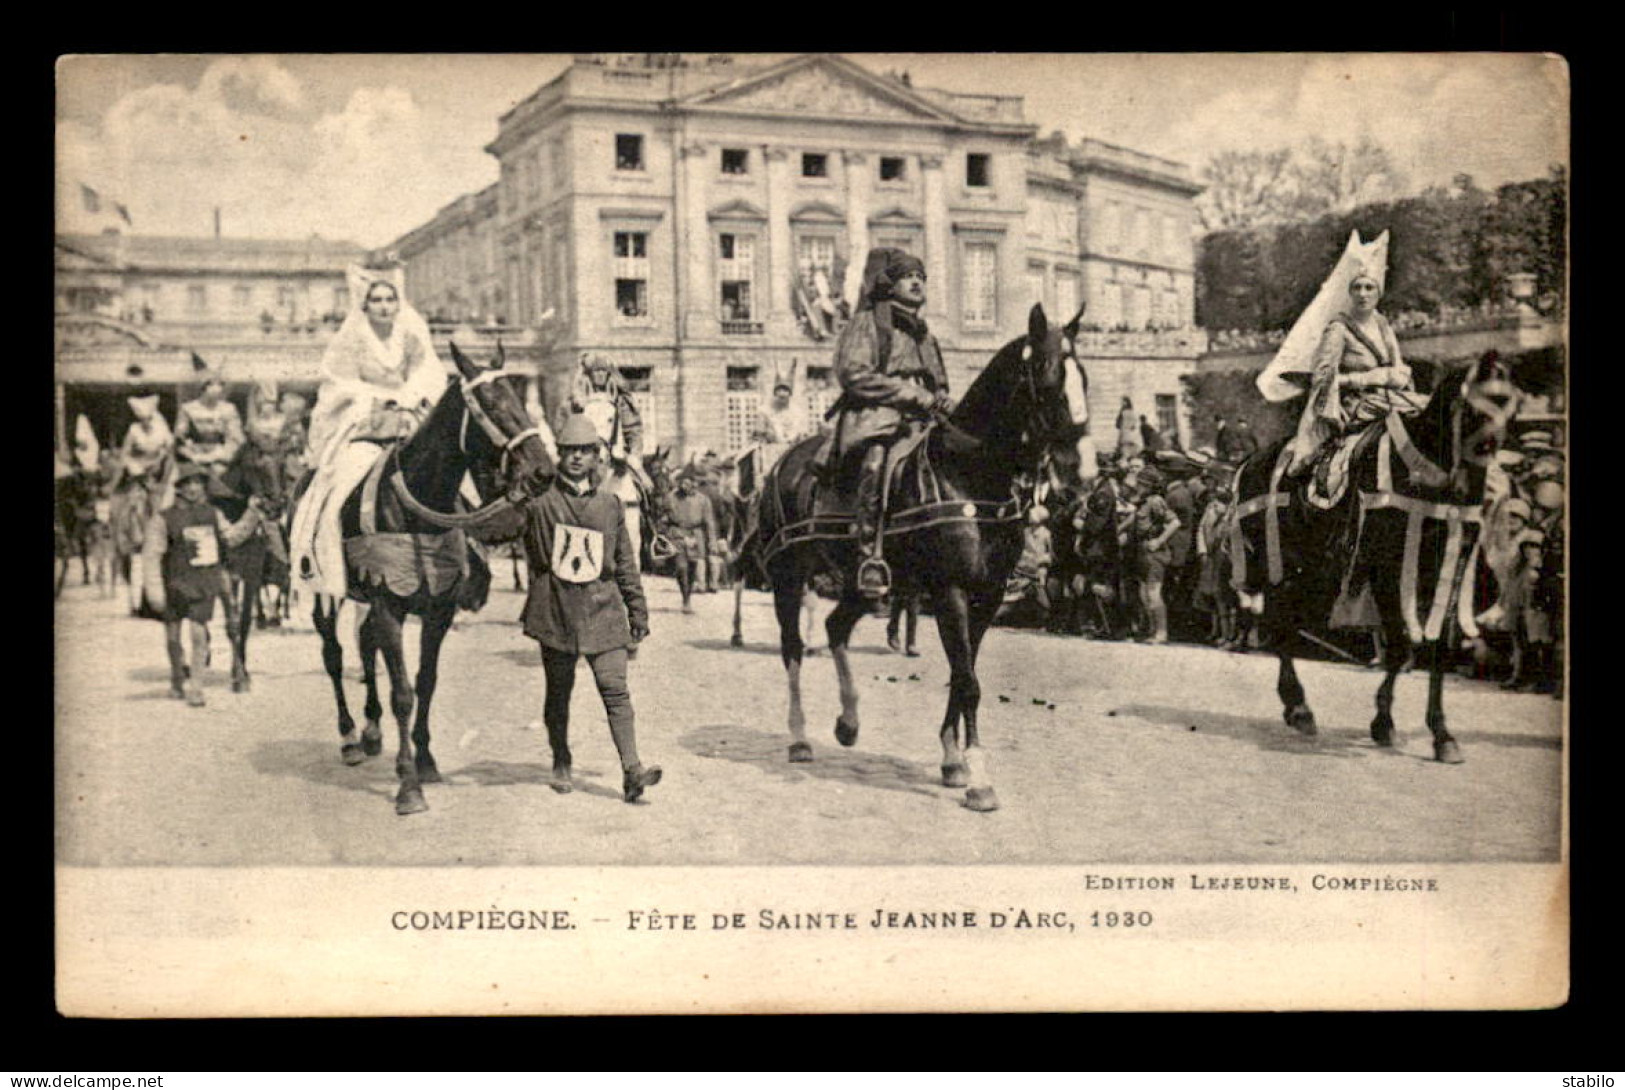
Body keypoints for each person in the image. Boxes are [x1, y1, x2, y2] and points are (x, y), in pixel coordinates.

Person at [518, 413, 661, 803]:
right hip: (558, 611)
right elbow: (531, 555)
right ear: (559, 456)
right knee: (559, 693)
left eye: (585, 451)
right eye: (569, 451)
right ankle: (561, 759)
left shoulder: (611, 505)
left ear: (597, 456)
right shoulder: (540, 504)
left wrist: (638, 610)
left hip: (604, 607)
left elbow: (626, 562)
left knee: (615, 690)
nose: (577, 458)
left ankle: (633, 769)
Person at [290, 269, 447, 599]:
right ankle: (321, 554)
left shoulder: (410, 337)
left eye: (390, 299)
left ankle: (463, 560)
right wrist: (376, 397)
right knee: (339, 484)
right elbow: (339, 382)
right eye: (377, 300)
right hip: (366, 421)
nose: (385, 307)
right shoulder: (352, 340)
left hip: (408, 417)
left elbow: (428, 371)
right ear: (365, 305)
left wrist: (411, 394)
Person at [815, 247, 951, 599]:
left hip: (924, 420)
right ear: (890, 284)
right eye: (909, 276)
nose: (918, 282)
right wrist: (911, 393)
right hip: (876, 417)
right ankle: (868, 556)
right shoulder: (868, 323)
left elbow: (938, 382)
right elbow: (854, 374)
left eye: (922, 277)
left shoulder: (925, 334)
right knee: (875, 466)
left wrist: (943, 398)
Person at [1258, 230, 1423, 478]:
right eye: (1357, 287)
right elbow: (1325, 378)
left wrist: (1387, 377)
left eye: (1369, 287)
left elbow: (1399, 372)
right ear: (1350, 292)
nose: (1363, 293)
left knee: (1431, 413)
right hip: (1350, 405)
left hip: (1388, 398)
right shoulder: (1338, 329)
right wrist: (1371, 378)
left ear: (1378, 292)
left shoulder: (1382, 325)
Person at [141, 462, 267, 706]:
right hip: (174, 585)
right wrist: (154, 590)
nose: (193, 489)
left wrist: (252, 514)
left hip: (203, 583)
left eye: (198, 483)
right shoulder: (164, 519)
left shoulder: (213, 514)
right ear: (179, 488)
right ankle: (177, 677)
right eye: (187, 484)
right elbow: (152, 555)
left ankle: (196, 687)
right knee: (173, 639)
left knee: (199, 636)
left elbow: (232, 537)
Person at [109, 394, 176, 612]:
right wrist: (134, 468)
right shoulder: (134, 431)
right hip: (138, 478)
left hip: (159, 480)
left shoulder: (162, 430)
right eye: (142, 418)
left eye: (149, 418)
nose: (146, 422)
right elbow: (125, 455)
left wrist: (161, 476)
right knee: (132, 508)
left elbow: (169, 454)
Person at [1128, 466, 1180, 644]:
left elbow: (1174, 522)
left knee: (1154, 593)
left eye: (1142, 484)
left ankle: (1161, 633)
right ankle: (1151, 630)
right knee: (1144, 594)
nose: (1138, 486)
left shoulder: (1155, 501)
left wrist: (1158, 541)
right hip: (1142, 552)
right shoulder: (1143, 501)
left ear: (1150, 486)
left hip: (1154, 553)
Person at [174, 370, 244, 481]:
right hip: (194, 456)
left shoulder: (228, 409)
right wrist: (192, 455)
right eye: (211, 384)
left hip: (220, 455)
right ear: (203, 388)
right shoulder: (188, 408)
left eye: (220, 385)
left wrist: (220, 454)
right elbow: (180, 437)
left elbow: (235, 437)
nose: (217, 389)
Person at [665, 467, 717, 613]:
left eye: (688, 482)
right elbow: (664, 518)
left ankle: (687, 597)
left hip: (696, 536)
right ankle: (685, 598)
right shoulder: (671, 498)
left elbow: (709, 523)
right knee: (681, 568)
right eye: (682, 482)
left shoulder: (703, 500)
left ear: (694, 483)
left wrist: (712, 541)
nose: (684, 486)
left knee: (692, 568)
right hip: (677, 535)